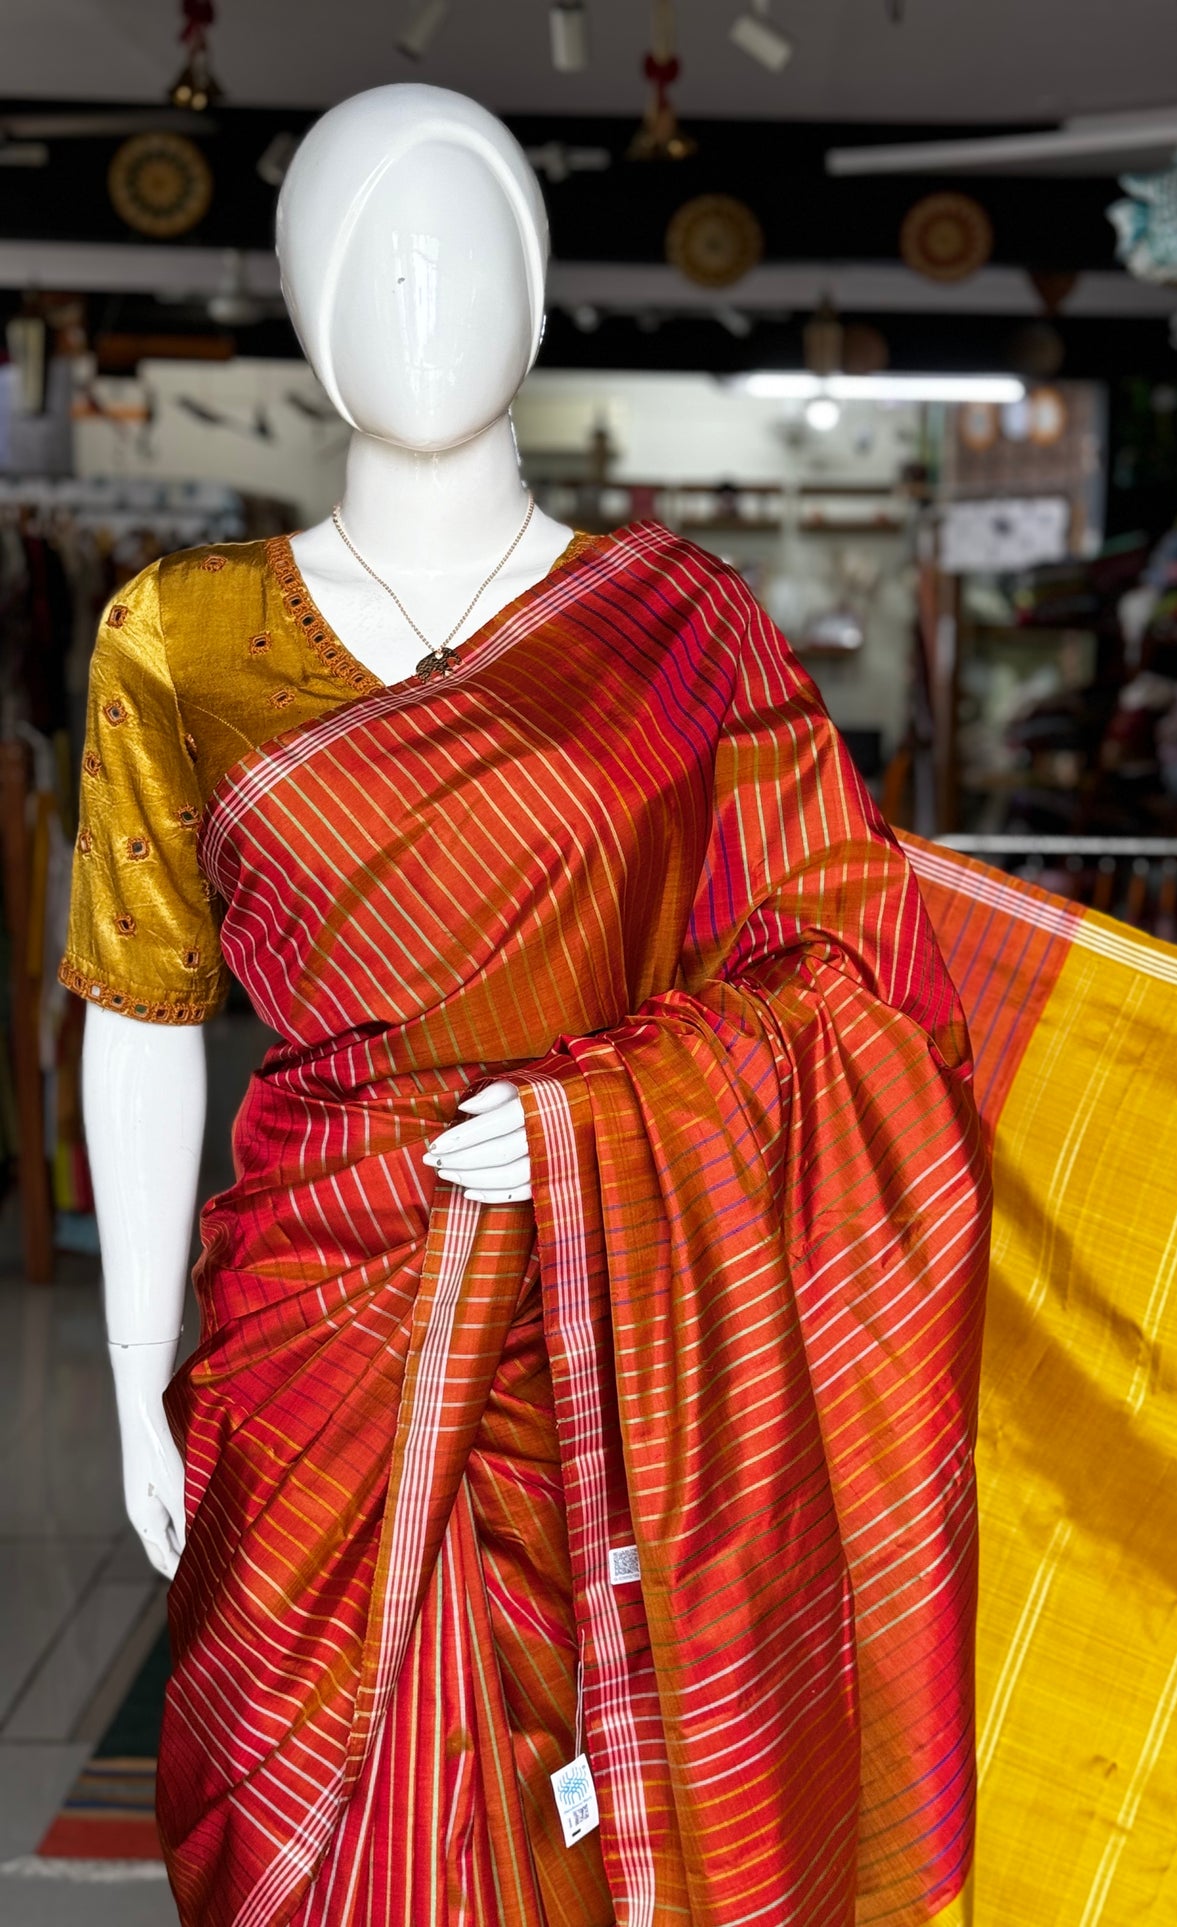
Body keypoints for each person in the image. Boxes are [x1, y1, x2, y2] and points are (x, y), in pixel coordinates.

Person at [63, 86, 989, 1926]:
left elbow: (847, 963)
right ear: (302, 317)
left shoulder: (679, 622)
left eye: (466, 248)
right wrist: (121, 1379)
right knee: (285, 1816)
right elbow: (142, 1010)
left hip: (590, 1342)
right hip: (301, 1328)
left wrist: (599, 1123)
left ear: (548, 300)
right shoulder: (173, 635)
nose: (419, 289)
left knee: (576, 1805)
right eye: (367, 257)